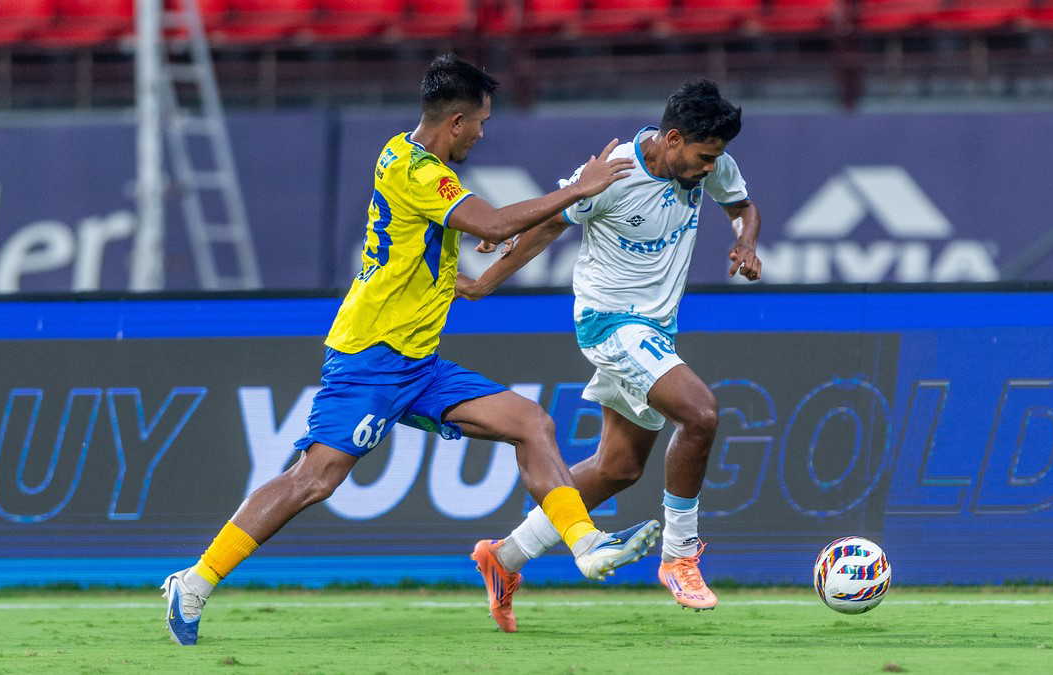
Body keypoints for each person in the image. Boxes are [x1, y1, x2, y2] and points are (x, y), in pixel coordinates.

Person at [161, 54, 661, 646]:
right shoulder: (421, 173)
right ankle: (194, 582)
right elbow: (493, 224)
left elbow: (437, 239)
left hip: (419, 363)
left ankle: (585, 545)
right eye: (480, 123)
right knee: (313, 480)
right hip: (371, 357)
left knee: (530, 422)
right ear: (456, 121)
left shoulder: (399, 152)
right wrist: (581, 189)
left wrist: (465, 276)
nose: (482, 134)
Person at [457, 79, 762, 631]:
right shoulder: (613, 174)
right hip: (610, 324)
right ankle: (680, 555)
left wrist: (745, 241)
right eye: (702, 157)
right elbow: (549, 223)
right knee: (700, 413)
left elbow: (742, 207)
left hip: (655, 332)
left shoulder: (711, 163)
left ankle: (504, 557)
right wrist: (483, 284)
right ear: (673, 139)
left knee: (618, 468)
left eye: (716, 158)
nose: (709, 168)